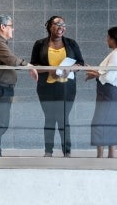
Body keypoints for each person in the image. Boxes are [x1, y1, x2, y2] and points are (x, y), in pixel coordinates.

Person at [0, 14, 38, 157]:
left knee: (0, 124)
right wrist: (29, 66)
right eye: (11, 26)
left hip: (3, 89)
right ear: (3, 27)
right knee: (0, 124)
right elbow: (12, 60)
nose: (13, 29)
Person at [30, 15, 84, 158]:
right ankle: (48, 151)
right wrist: (50, 69)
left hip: (67, 88)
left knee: (63, 118)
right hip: (46, 88)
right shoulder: (39, 44)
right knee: (49, 118)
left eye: (63, 25)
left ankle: (67, 152)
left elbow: (81, 64)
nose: (61, 27)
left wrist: (70, 69)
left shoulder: (71, 44)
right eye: (58, 24)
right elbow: (33, 66)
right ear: (49, 26)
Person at [85, 26, 117, 158]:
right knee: (111, 123)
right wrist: (95, 72)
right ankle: (109, 157)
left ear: (113, 39)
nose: (106, 40)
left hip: (109, 93)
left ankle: (102, 156)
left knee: (99, 123)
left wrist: (94, 74)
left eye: (107, 37)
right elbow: (107, 73)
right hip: (111, 93)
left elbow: (109, 77)